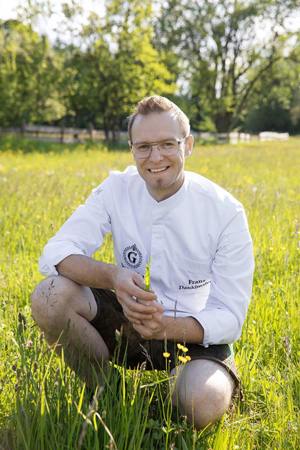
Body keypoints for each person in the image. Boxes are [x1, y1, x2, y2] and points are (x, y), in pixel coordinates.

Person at [31, 95, 254, 430]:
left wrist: (165, 327)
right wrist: (114, 275)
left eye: (167, 144)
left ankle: (178, 399)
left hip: (193, 333)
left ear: (188, 145)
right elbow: (56, 252)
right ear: (132, 149)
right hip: (128, 317)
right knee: (49, 296)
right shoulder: (116, 188)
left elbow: (230, 317)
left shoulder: (225, 211)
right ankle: (108, 395)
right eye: (144, 146)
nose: (156, 157)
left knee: (203, 405)